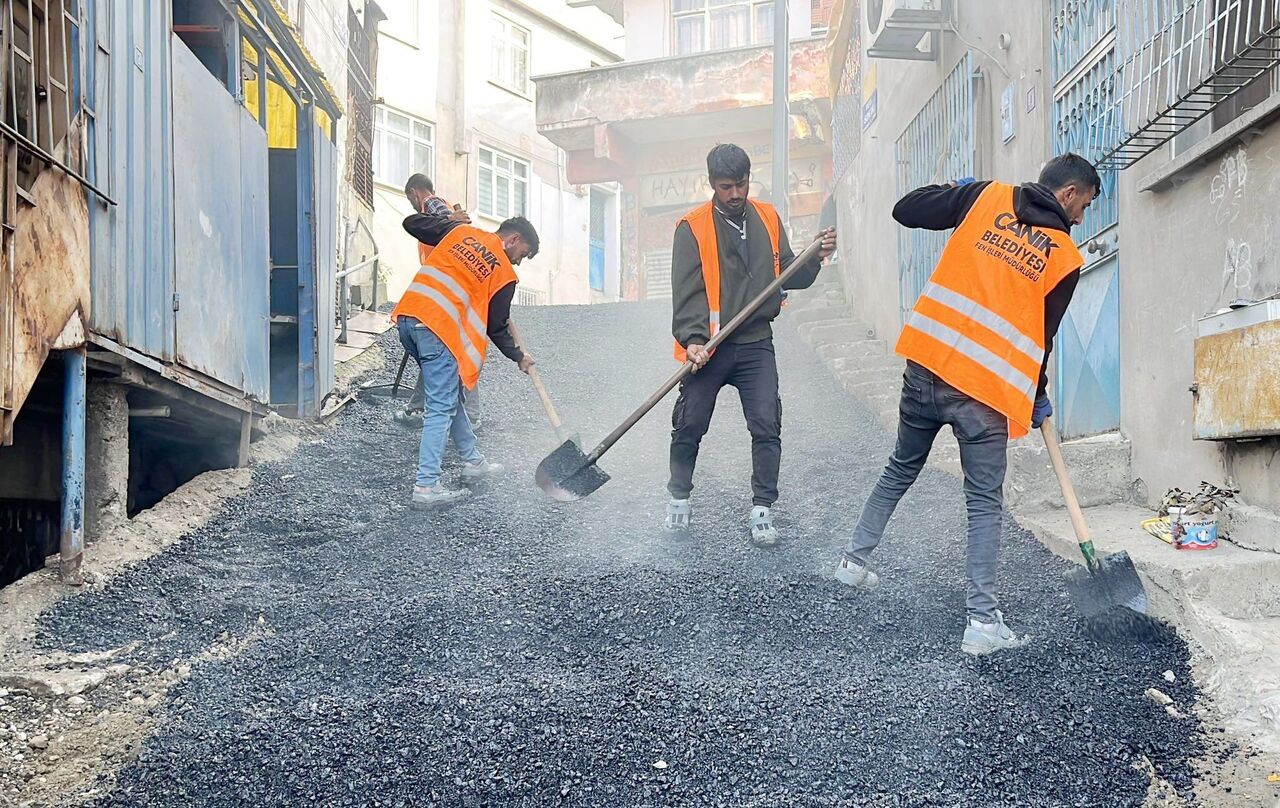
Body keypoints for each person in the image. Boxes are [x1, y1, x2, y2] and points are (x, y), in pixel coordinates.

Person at [833, 153, 1099, 656]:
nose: (1082, 217)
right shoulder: (1063, 255)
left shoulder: (985, 197)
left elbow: (906, 210)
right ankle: (981, 622)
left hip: (926, 367)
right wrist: (1036, 396)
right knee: (983, 501)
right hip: (983, 393)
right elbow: (1042, 338)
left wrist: (957, 189)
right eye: (1083, 204)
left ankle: (854, 562)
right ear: (1068, 195)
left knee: (900, 467)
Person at [667, 143, 837, 546]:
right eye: (727, 186)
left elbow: (788, 273)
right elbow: (687, 292)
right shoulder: (691, 228)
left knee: (766, 424)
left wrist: (815, 257)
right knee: (689, 424)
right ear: (712, 184)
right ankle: (678, 497)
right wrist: (693, 341)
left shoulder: (767, 216)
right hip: (709, 348)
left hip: (757, 341)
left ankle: (762, 508)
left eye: (741, 184)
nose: (736, 194)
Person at [392, 208, 538, 508]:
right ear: (513, 239)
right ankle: (426, 486)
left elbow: (411, 223)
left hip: (409, 319)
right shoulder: (504, 273)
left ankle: (473, 461)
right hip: (437, 329)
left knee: (449, 394)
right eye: (522, 254)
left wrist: (451, 222)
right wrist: (519, 356)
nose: (518, 262)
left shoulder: (459, 233)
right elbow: (496, 327)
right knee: (440, 407)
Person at [398, 175, 484, 431]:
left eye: (410, 199)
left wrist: (449, 219)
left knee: (454, 351)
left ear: (414, 192)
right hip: (441, 293)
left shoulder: (433, 205)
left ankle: (471, 413)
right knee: (435, 351)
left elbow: (456, 229)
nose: (412, 204)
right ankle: (417, 407)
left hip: (448, 293)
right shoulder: (432, 211)